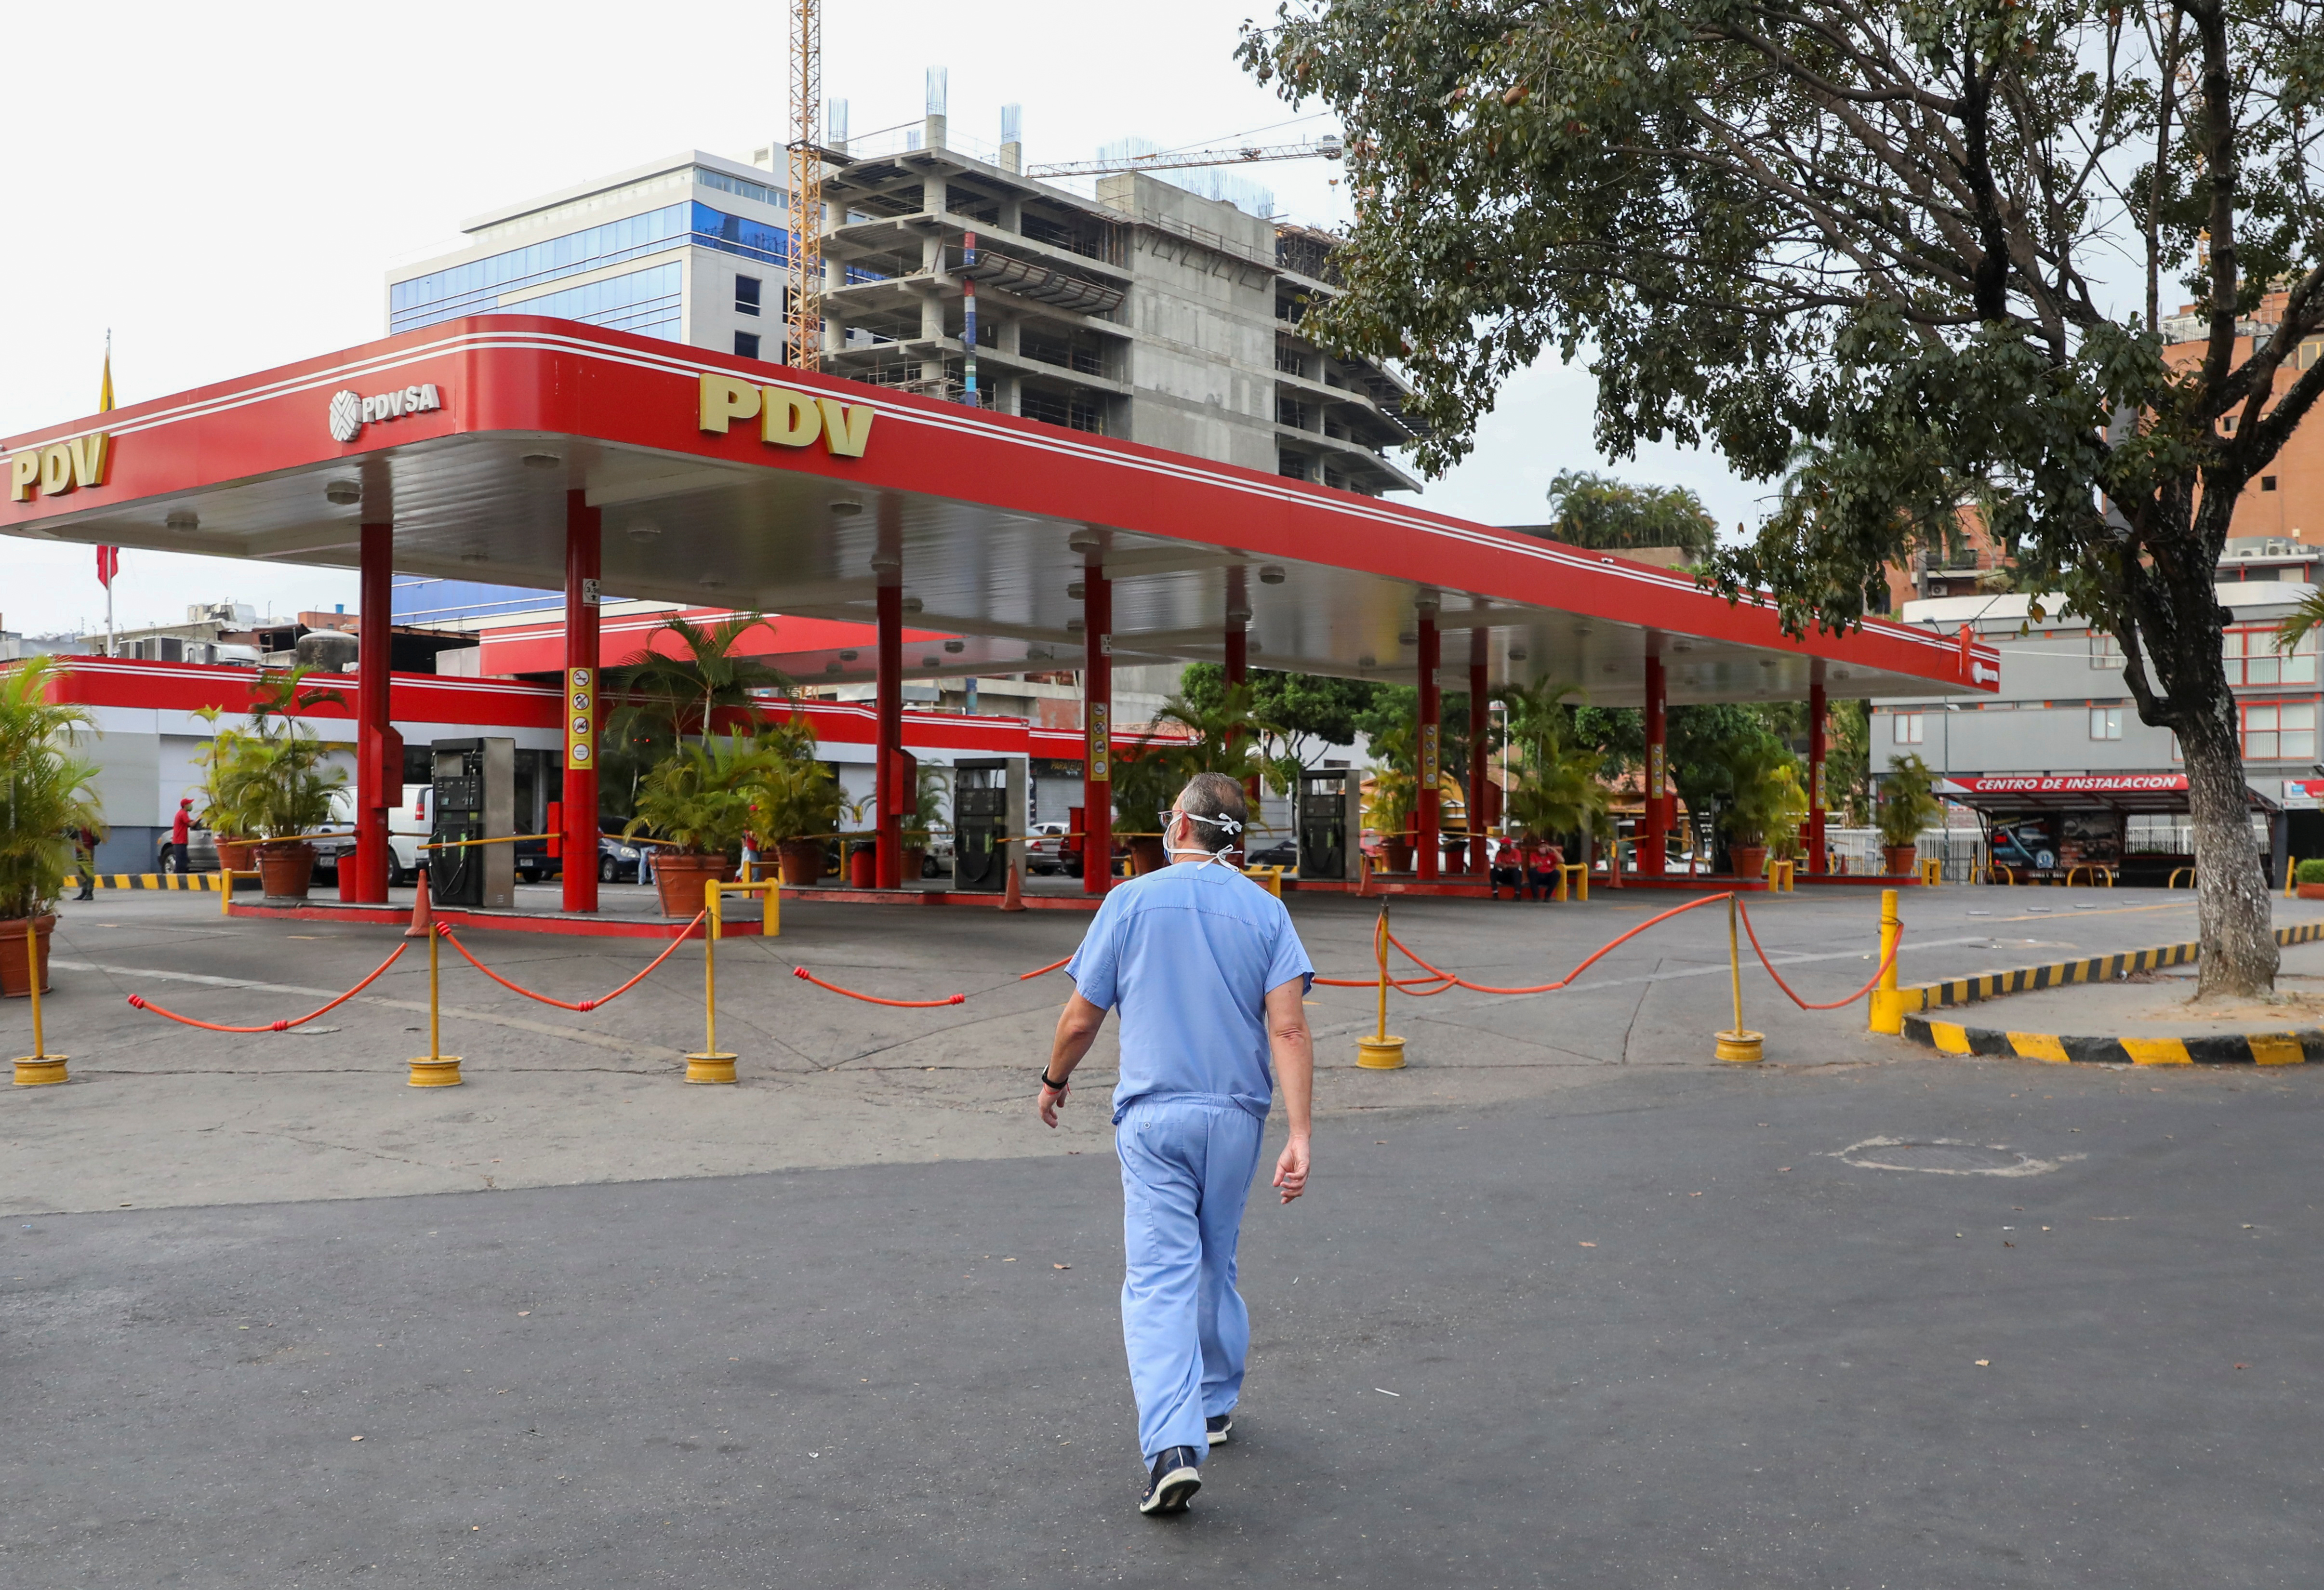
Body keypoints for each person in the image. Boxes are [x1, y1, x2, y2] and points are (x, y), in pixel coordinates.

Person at [1037, 770, 1315, 1517]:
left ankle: (1170, 1446)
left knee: (1158, 1276)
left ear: (1179, 826)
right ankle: (1215, 1405)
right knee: (1214, 1260)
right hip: (1235, 1118)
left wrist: (1054, 1078)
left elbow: (1079, 1018)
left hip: (1153, 1119)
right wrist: (1298, 1133)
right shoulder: (1265, 913)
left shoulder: (1128, 902)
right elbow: (1286, 1027)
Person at [166, 798, 193, 876]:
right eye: (189, 804)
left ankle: (180, 878)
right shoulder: (183, 814)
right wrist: (200, 818)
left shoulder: (182, 813)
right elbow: (191, 824)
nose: (191, 806)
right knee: (181, 862)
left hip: (181, 841)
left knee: (183, 861)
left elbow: (188, 824)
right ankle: (178, 878)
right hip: (180, 841)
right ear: (185, 805)